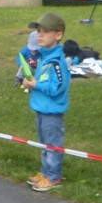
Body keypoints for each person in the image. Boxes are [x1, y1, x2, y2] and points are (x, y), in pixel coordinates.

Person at [22, 12, 70, 192]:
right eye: (38, 31)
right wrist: (31, 82)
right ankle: (45, 172)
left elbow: (57, 87)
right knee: (44, 144)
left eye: (45, 32)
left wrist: (37, 85)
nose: (39, 35)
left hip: (52, 111)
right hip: (42, 109)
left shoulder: (56, 61)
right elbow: (42, 79)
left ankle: (54, 176)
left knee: (53, 145)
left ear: (58, 35)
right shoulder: (44, 57)